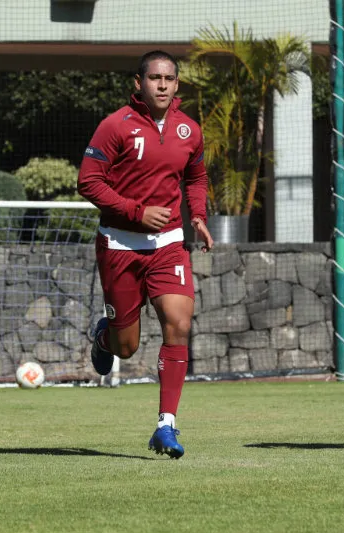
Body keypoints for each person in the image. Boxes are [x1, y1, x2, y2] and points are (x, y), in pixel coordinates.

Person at [77, 50, 213, 459]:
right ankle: (104, 337)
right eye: (154, 78)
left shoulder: (190, 130)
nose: (162, 85)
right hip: (119, 244)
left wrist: (200, 217)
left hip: (169, 244)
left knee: (179, 322)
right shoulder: (114, 126)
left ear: (177, 85)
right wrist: (136, 212)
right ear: (138, 83)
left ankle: (166, 425)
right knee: (126, 347)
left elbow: (197, 177)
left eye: (169, 79)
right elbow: (88, 182)